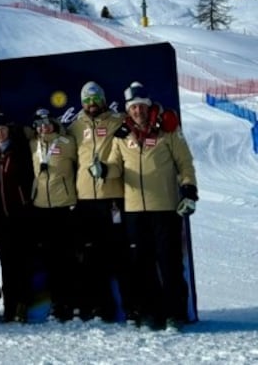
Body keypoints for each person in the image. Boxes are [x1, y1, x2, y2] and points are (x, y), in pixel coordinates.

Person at [105, 82, 198, 331]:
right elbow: (115, 165)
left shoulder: (167, 129)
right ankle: (151, 312)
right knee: (141, 264)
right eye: (133, 107)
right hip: (135, 210)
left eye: (141, 106)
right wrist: (104, 170)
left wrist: (189, 189)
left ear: (148, 106)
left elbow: (185, 163)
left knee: (169, 262)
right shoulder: (122, 135)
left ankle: (174, 313)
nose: (137, 111)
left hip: (165, 208)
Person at [66, 81, 125, 321]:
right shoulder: (75, 126)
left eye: (96, 99)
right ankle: (95, 307)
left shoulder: (117, 121)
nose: (92, 104)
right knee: (89, 257)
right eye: (87, 100)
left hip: (112, 197)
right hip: (84, 199)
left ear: (103, 99)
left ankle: (125, 308)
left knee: (117, 255)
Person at [29, 108, 79, 322]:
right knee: (49, 260)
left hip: (64, 207)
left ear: (54, 123)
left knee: (67, 258)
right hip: (41, 208)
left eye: (47, 123)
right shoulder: (33, 144)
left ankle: (71, 303)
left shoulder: (67, 143)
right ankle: (56, 304)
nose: (43, 127)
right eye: (39, 124)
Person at [0, 113, 35, 323]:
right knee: (6, 264)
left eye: (2, 129)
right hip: (0, 218)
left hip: (20, 214)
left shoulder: (19, 149)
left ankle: (22, 306)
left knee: (22, 262)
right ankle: (9, 305)